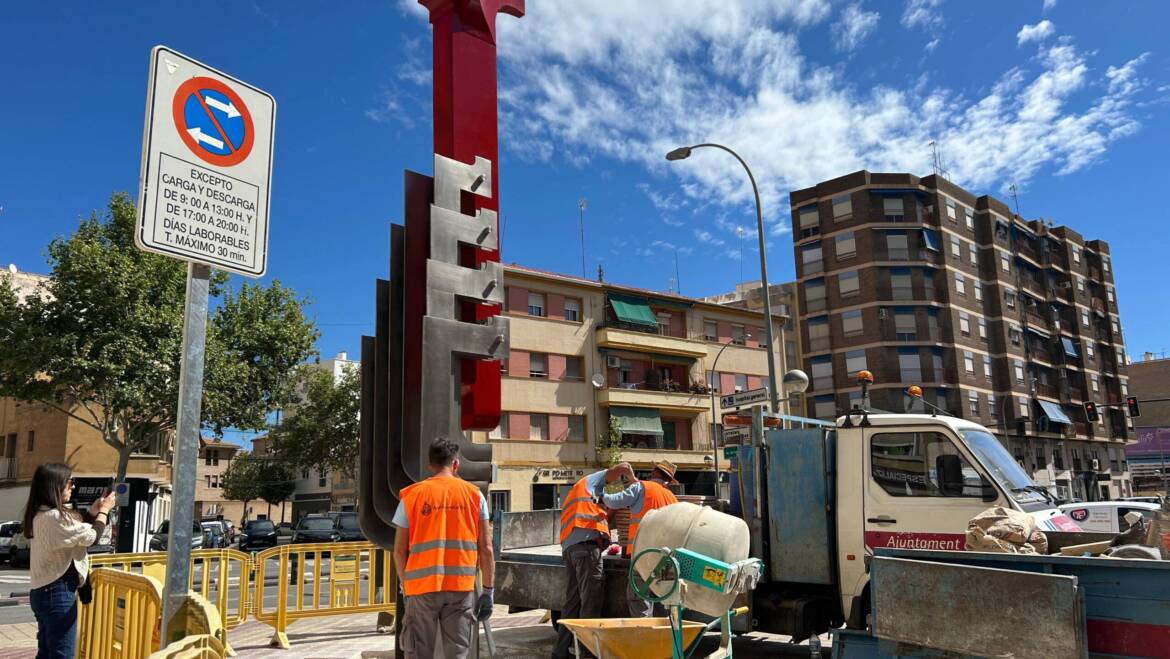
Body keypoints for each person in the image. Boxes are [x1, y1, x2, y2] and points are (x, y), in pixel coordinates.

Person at [392, 438, 494, 659]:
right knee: (457, 654)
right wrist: (488, 591)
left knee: (418, 653)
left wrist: (406, 586)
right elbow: (486, 548)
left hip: (421, 589)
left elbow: (399, 551)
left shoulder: (411, 496)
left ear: (430, 465)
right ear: (455, 464)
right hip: (460, 589)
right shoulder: (475, 496)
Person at [23, 463, 116, 659]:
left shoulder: (40, 514)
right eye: (70, 482)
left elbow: (74, 534)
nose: (73, 486)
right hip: (57, 592)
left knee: (46, 652)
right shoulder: (55, 517)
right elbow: (91, 537)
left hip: (42, 592)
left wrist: (93, 512)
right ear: (55, 485)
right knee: (62, 654)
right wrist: (104, 511)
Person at [551, 462, 635, 659]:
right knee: (591, 601)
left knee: (573, 602)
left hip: (572, 548)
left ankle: (560, 652)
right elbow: (621, 467)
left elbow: (603, 516)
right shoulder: (591, 482)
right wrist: (632, 479)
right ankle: (587, 653)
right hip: (586, 549)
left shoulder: (586, 496)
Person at [603, 460, 680, 617]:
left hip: (643, 554)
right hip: (666, 557)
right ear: (668, 479)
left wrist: (600, 492)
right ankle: (665, 630)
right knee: (663, 598)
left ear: (654, 472)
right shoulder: (672, 498)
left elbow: (613, 502)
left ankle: (644, 630)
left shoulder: (642, 487)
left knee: (639, 597)